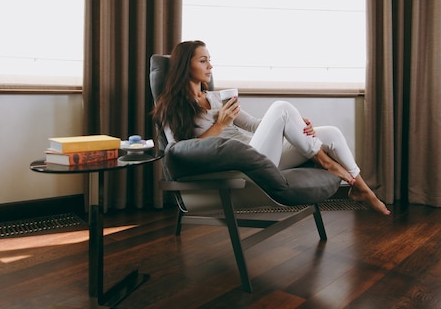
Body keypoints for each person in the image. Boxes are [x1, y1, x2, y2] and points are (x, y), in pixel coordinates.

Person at [152, 40, 390, 215]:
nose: (210, 66)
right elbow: (177, 151)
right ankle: (325, 161)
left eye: (210, 60)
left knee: (330, 133)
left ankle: (360, 189)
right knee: (281, 107)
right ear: (185, 66)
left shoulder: (218, 98)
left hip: (260, 155)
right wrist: (220, 124)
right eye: (203, 61)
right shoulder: (170, 106)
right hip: (240, 166)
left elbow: (257, 126)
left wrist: (297, 125)